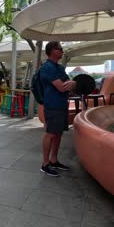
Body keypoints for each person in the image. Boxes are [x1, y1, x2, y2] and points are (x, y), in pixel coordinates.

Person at [39, 41, 76, 176]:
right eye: (60, 49)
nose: (62, 51)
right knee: (50, 134)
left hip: (61, 105)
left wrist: (74, 83)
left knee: (58, 134)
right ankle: (45, 163)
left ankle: (53, 160)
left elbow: (71, 85)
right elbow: (62, 87)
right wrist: (70, 84)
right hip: (52, 105)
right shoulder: (47, 67)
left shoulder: (59, 68)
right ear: (52, 51)